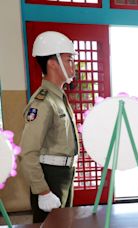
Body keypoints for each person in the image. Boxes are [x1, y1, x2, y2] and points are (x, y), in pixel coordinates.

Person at [20, 31, 79, 223]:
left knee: (64, 224)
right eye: (69, 59)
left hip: (63, 176)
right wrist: (42, 190)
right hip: (49, 177)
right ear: (53, 63)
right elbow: (28, 152)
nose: (73, 65)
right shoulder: (43, 101)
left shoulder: (58, 98)